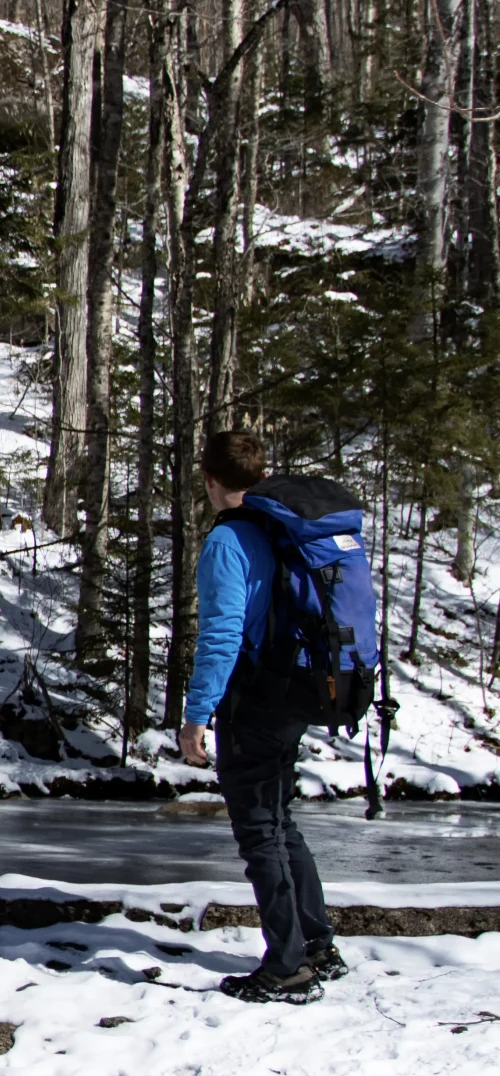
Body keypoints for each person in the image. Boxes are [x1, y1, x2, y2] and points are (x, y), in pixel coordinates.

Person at [179, 430, 347, 1004]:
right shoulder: (282, 529)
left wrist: (196, 714)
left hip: (252, 700)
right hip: (292, 693)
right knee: (280, 821)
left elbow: (223, 634)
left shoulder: (229, 542)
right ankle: (318, 944)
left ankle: (288, 967)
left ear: (209, 481)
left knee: (259, 833)